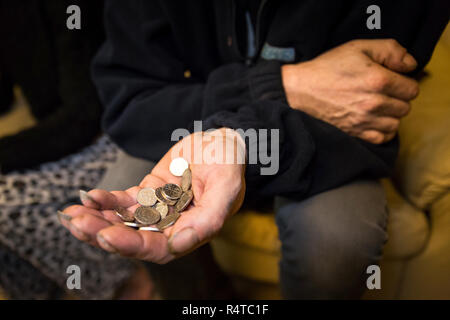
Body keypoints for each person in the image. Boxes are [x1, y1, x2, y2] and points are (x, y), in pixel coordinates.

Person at [60, 0, 449, 299]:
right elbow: (132, 107)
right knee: (124, 195)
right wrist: (285, 85)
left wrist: (240, 138)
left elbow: (368, 116)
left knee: (337, 242)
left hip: (328, 148)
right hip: (185, 133)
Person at [0, 0, 152, 299]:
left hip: (108, 132)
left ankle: (127, 287)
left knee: (5, 205)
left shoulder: (73, 11)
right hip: (65, 135)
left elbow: (83, 116)